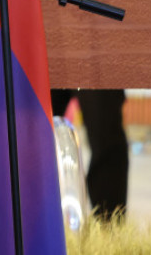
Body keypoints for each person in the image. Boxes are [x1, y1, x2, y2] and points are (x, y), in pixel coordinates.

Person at [51, 88, 129, 221]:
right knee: (30, 137)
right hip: (43, 67)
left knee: (106, 138)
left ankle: (109, 226)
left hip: (98, 69)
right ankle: (27, 226)